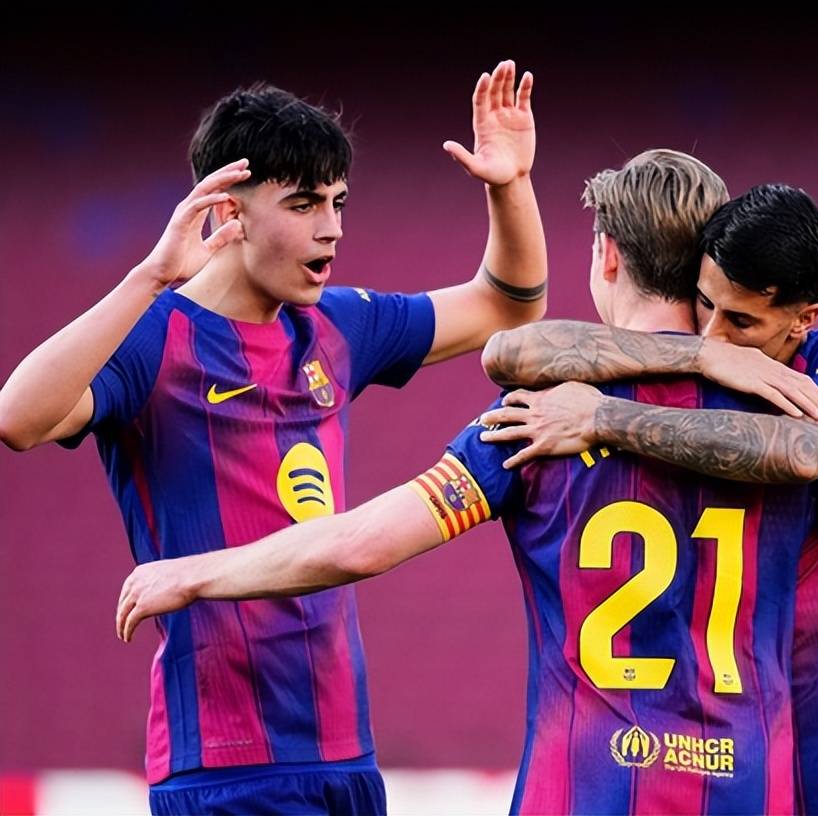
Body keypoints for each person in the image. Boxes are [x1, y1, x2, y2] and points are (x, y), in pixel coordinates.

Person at [116, 153, 818, 814]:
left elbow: (363, 543)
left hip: (585, 784)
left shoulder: (534, 422)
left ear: (606, 254)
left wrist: (196, 574)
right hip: (745, 784)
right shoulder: (786, 421)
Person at [0, 60, 547, 815]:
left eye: (337, 201)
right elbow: (17, 419)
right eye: (303, 203)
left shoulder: (336, 325)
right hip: (223, 764)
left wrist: (510, 186)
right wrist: (150, 276)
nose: (332, 227)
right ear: (228, 212)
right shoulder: (153, 338)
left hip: (344, 756)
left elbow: (508, 303)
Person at [472, 183, 818, 814]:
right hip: (747, 768)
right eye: (704, 304)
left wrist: (604, 419)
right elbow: (507, 352)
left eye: (739, 321)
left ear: (804, 319)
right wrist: (700, 358)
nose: (713, 334)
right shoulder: (697, 373)